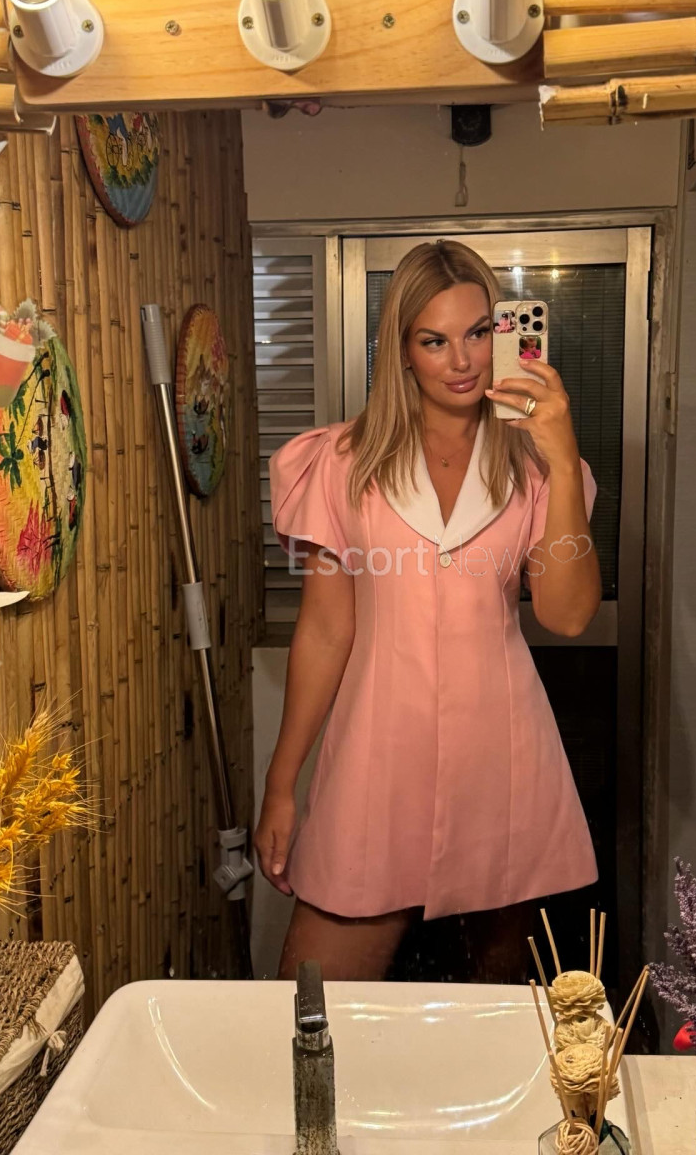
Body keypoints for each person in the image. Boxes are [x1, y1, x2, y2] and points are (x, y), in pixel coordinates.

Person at [256, 240, 602, 981]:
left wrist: (563, 455)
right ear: (402, 352)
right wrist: (281, 784)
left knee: (497, 1014)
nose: (462, 361)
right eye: (434, 341)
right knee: (312, 1005)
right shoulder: (340, 462)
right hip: (374, 758)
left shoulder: (539, 467)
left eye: (477, 333)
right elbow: (326, 630)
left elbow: (568, 615)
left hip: (501, 760)